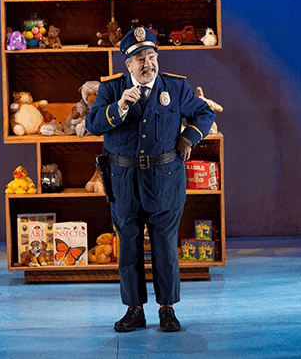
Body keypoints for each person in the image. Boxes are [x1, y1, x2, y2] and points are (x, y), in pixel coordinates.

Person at [85, 27, 215, 332]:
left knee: (165, 248)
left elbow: (204, 113)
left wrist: (189, 138)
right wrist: (119, 108)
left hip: (165, 180)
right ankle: (134, 310)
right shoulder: (111, 90)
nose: (148, 64)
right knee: (128, 248)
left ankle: (167, 309)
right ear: (128, 64)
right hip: (124, 182)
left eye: (152, 56)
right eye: (141, 58)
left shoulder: (176, 87)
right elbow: (92, 124)